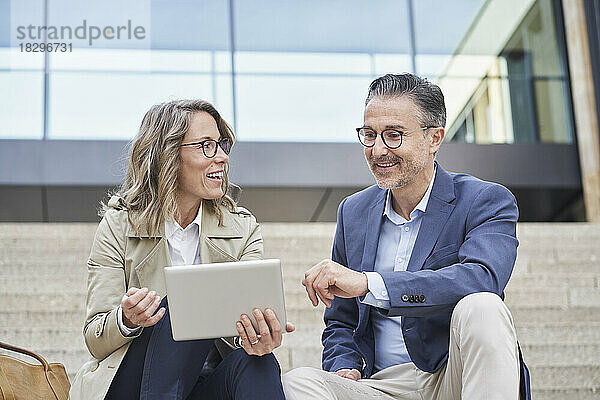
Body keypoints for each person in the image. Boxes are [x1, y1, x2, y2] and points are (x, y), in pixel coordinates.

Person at [282, 73, 531, 400]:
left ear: (434, 138)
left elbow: (483, 279)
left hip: (449, 375)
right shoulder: (353, 212)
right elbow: (341, 321)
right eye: (369, 135)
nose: (378, 150)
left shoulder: (484, 200)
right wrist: (345, 364)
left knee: (484, 307)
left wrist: (372, 284)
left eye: (394, 135)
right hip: (380, 385)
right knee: (297, 382)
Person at [69, 99, 294, 400]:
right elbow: (95, 338)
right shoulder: (118, 225)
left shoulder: (243, 229)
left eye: (222, 144)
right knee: (181, 306)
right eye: (207, 145)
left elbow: (246, 326)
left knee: (259, 363)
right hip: (133, 383)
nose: (223, 157)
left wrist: (259, 335)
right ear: (168, 155)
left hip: (207, 380)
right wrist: (127, 319)